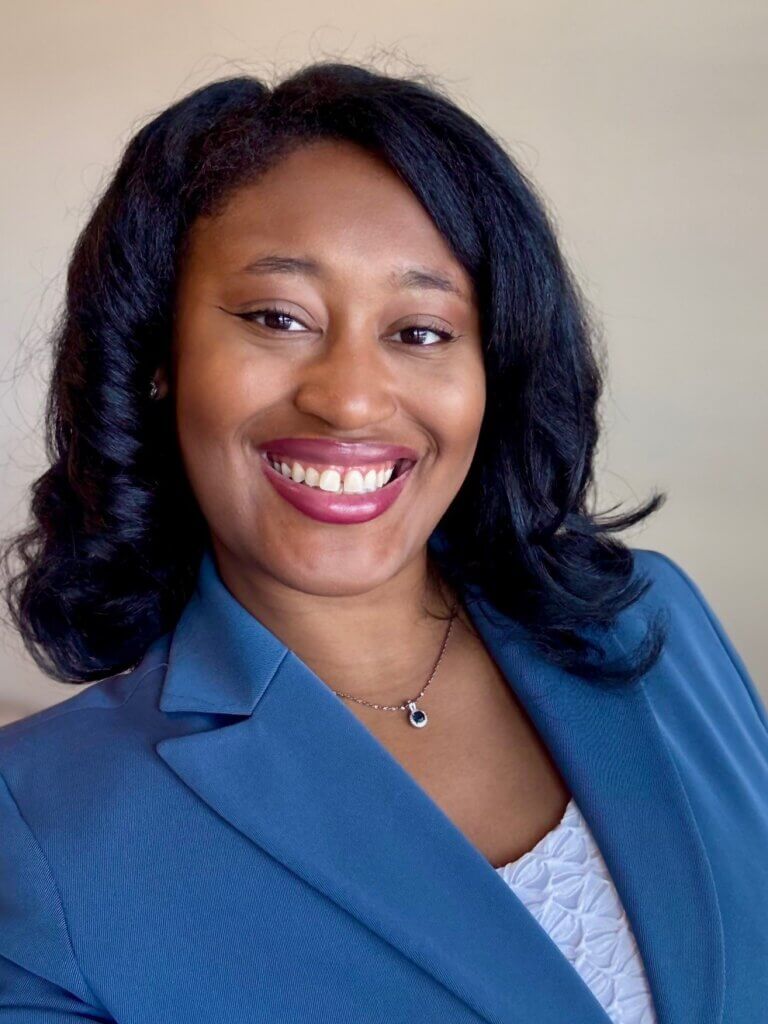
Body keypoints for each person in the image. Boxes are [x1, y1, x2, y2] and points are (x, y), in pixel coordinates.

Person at [0, 63, 765, 1024]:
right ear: (159, 358)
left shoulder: (654, 623)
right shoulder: (36, 824)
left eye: (421, 331)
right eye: (278, 318)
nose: (352, 399)